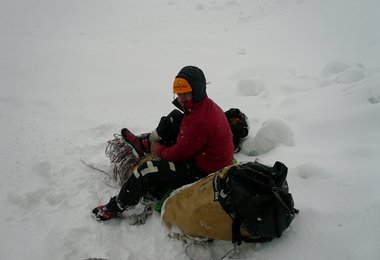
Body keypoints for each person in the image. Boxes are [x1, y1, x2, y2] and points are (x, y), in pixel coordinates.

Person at [92, 66, 234, 221]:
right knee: (175, 118)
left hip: (203, 172)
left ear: (198, 91)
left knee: (146, 170)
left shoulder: (198, 121)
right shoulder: (203, 105)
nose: (181, 99)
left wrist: (159, 150)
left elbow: (178, 155)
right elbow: (189, 134)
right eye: (179, 94)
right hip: (204, 156)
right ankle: (143, 144)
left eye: (186, 94)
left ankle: (116, 206)